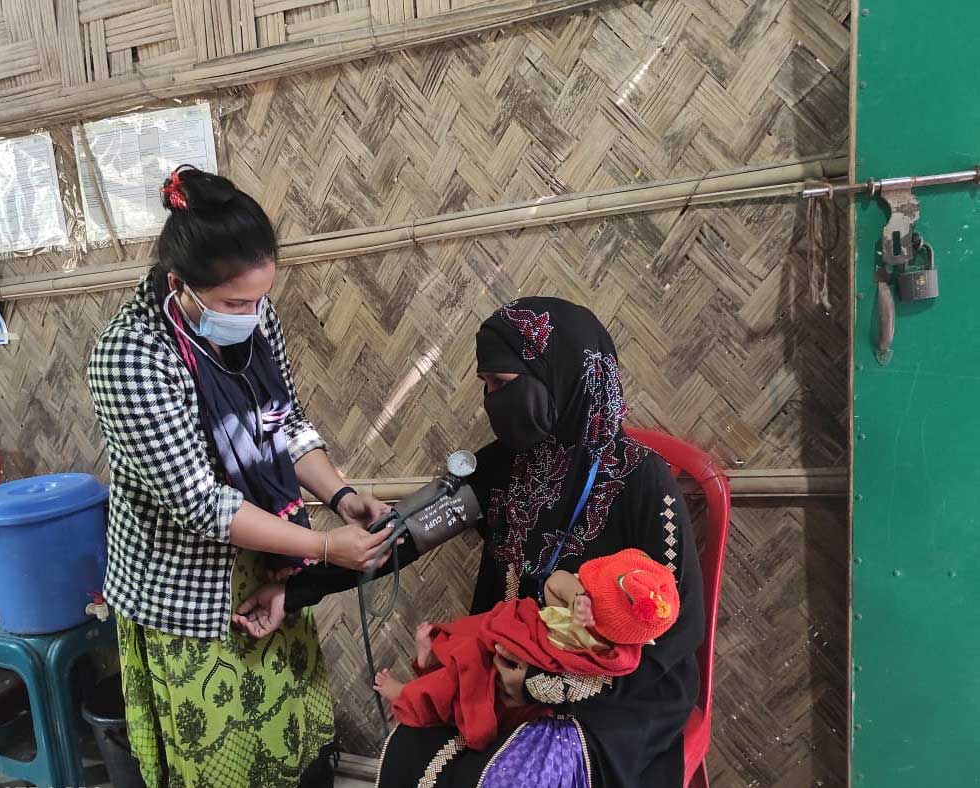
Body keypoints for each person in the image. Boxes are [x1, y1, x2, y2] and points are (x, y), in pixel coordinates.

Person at [234, 297, 704, 788]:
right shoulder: (502, 465)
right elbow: (404, 536)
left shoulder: (642, 481)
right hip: (507, 668)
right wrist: (296, 592)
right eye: (485, 387)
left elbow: (673, 629)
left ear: (558, 373)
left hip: (614, 691)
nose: (492, 402)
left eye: (502, 385)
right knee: (411, 754)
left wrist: (547, 687)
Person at [87, 165, 393, 788]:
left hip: (272, 557)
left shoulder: (254, 321)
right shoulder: (131, 356)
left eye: (258, 300)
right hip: (186, 590)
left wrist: (342, 495)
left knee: (293, 739)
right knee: (221, 758)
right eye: (233, 303)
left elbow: (283, 423)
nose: (251, 315)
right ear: (181, 286)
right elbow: (200, 502)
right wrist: (326, 546)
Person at [373, 548, 681, 751]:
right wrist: (578, 597)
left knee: (469, 682)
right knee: (464, 639)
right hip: (516, 627)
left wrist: (537, 679)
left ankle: (409, 695)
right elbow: (555, 583)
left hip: (525, 665)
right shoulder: (581, 600)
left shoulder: (614, 655)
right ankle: (430, 661)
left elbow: (583, 681)